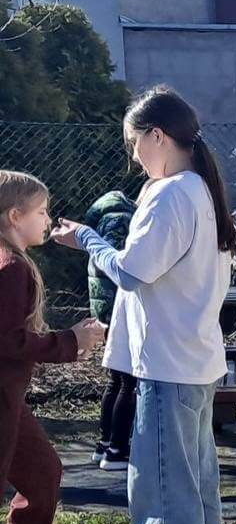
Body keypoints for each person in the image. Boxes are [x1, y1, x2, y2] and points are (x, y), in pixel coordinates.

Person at [51, 86, 236, 524]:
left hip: (167, 365)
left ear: (157, 136)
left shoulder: (171, 193)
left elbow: (133, 272)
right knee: (195, 482)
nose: (134, 156)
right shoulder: (199, 188)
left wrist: (87, 239)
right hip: (193, 361)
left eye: (135, 143)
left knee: (160, 490)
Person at [0, 171, 106, 524]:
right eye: (41, 212)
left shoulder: (12, 262)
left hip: (10, 398)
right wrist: (71, 341)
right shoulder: (11, 268)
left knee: (42, 472)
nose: (47, 220)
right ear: (14, 215)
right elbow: (9, 340)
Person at [82, 189, 140, 471]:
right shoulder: (120, 217)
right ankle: (117, 449)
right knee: (127, 380)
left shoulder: (106, 214)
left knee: (117, 379)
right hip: (119, 304)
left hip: (106, 303)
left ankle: (105, 443)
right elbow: (118, 264)